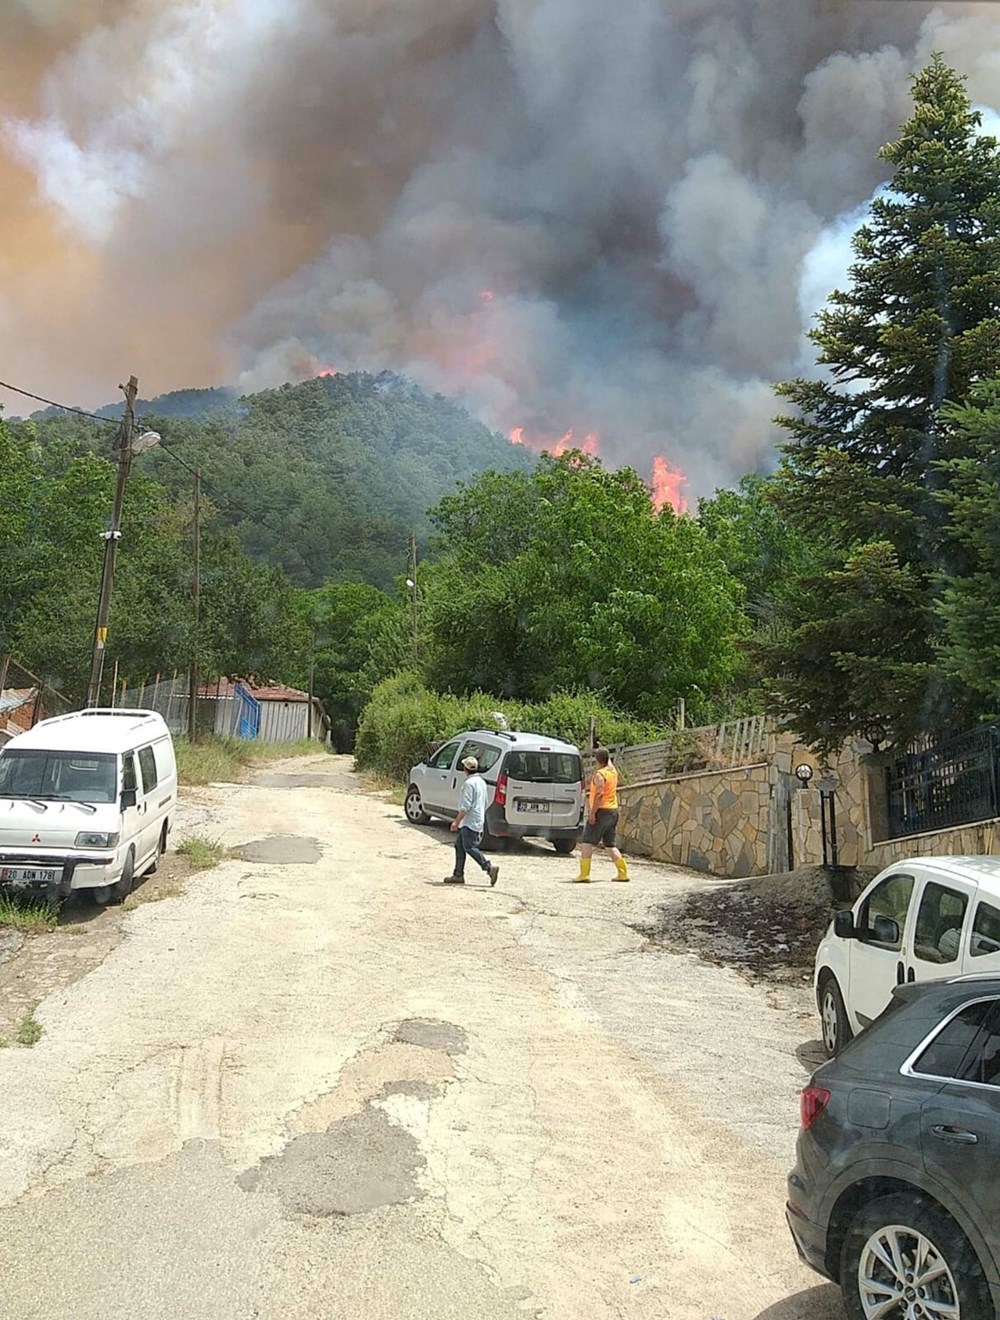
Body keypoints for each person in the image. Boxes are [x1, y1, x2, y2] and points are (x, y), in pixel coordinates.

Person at [574, 747, 629, 882]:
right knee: (610, 844)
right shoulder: (612, 772)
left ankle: (584, 874)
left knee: (587, 842)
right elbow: (608, 761)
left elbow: (599, 793)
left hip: (601, 811)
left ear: (597, 760)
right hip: (613, 811)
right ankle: (623, 873)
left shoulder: (599, 775)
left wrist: (593, 813)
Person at [446, 756, 500, 886]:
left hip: (469, 821)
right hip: (477, 819)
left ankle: (488, 867)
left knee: (469, 847)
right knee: (460, 846)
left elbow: (465, 806)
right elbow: (485, 801)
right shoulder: (481, 782)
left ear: (465, 769)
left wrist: (456, 822)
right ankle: (458, 874)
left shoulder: (469, 784)